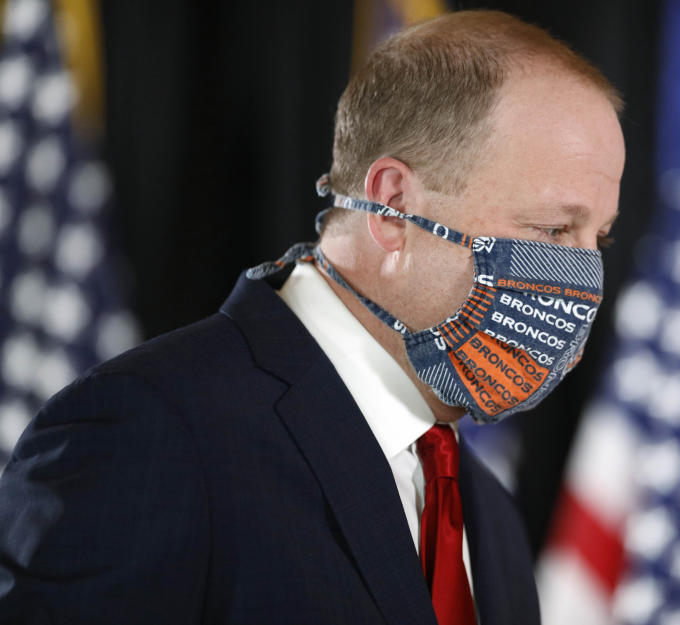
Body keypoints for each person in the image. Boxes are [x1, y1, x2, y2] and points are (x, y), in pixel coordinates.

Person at [0, 9, 625, 625]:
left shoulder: (488, 514)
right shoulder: (147, 433)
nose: (585, 278)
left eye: (599, 237)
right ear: (392, 208)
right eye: (553, 229)